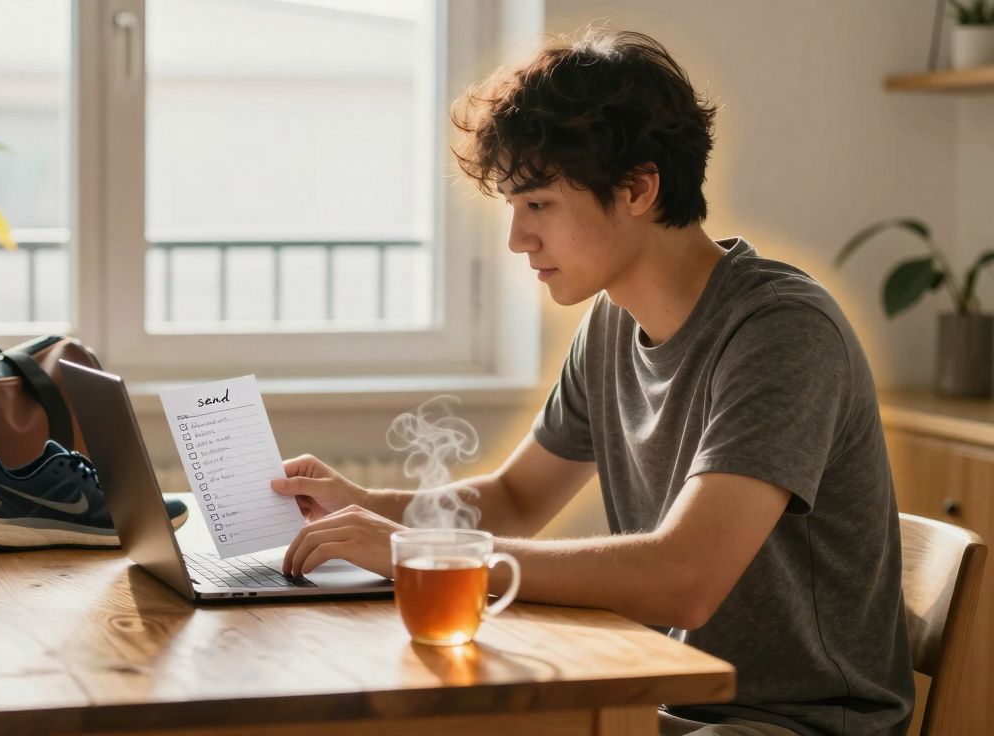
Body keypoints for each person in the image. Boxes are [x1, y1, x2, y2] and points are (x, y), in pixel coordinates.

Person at [269, 27, 914, 736]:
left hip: (793, 725)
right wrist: (365, 506)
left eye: (538, 204)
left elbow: (684, 579)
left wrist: (413, 552)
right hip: (668, 706)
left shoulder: (782, 331)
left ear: (638, 188)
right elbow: (514, 498)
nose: (517, 238)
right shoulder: (610, 324)